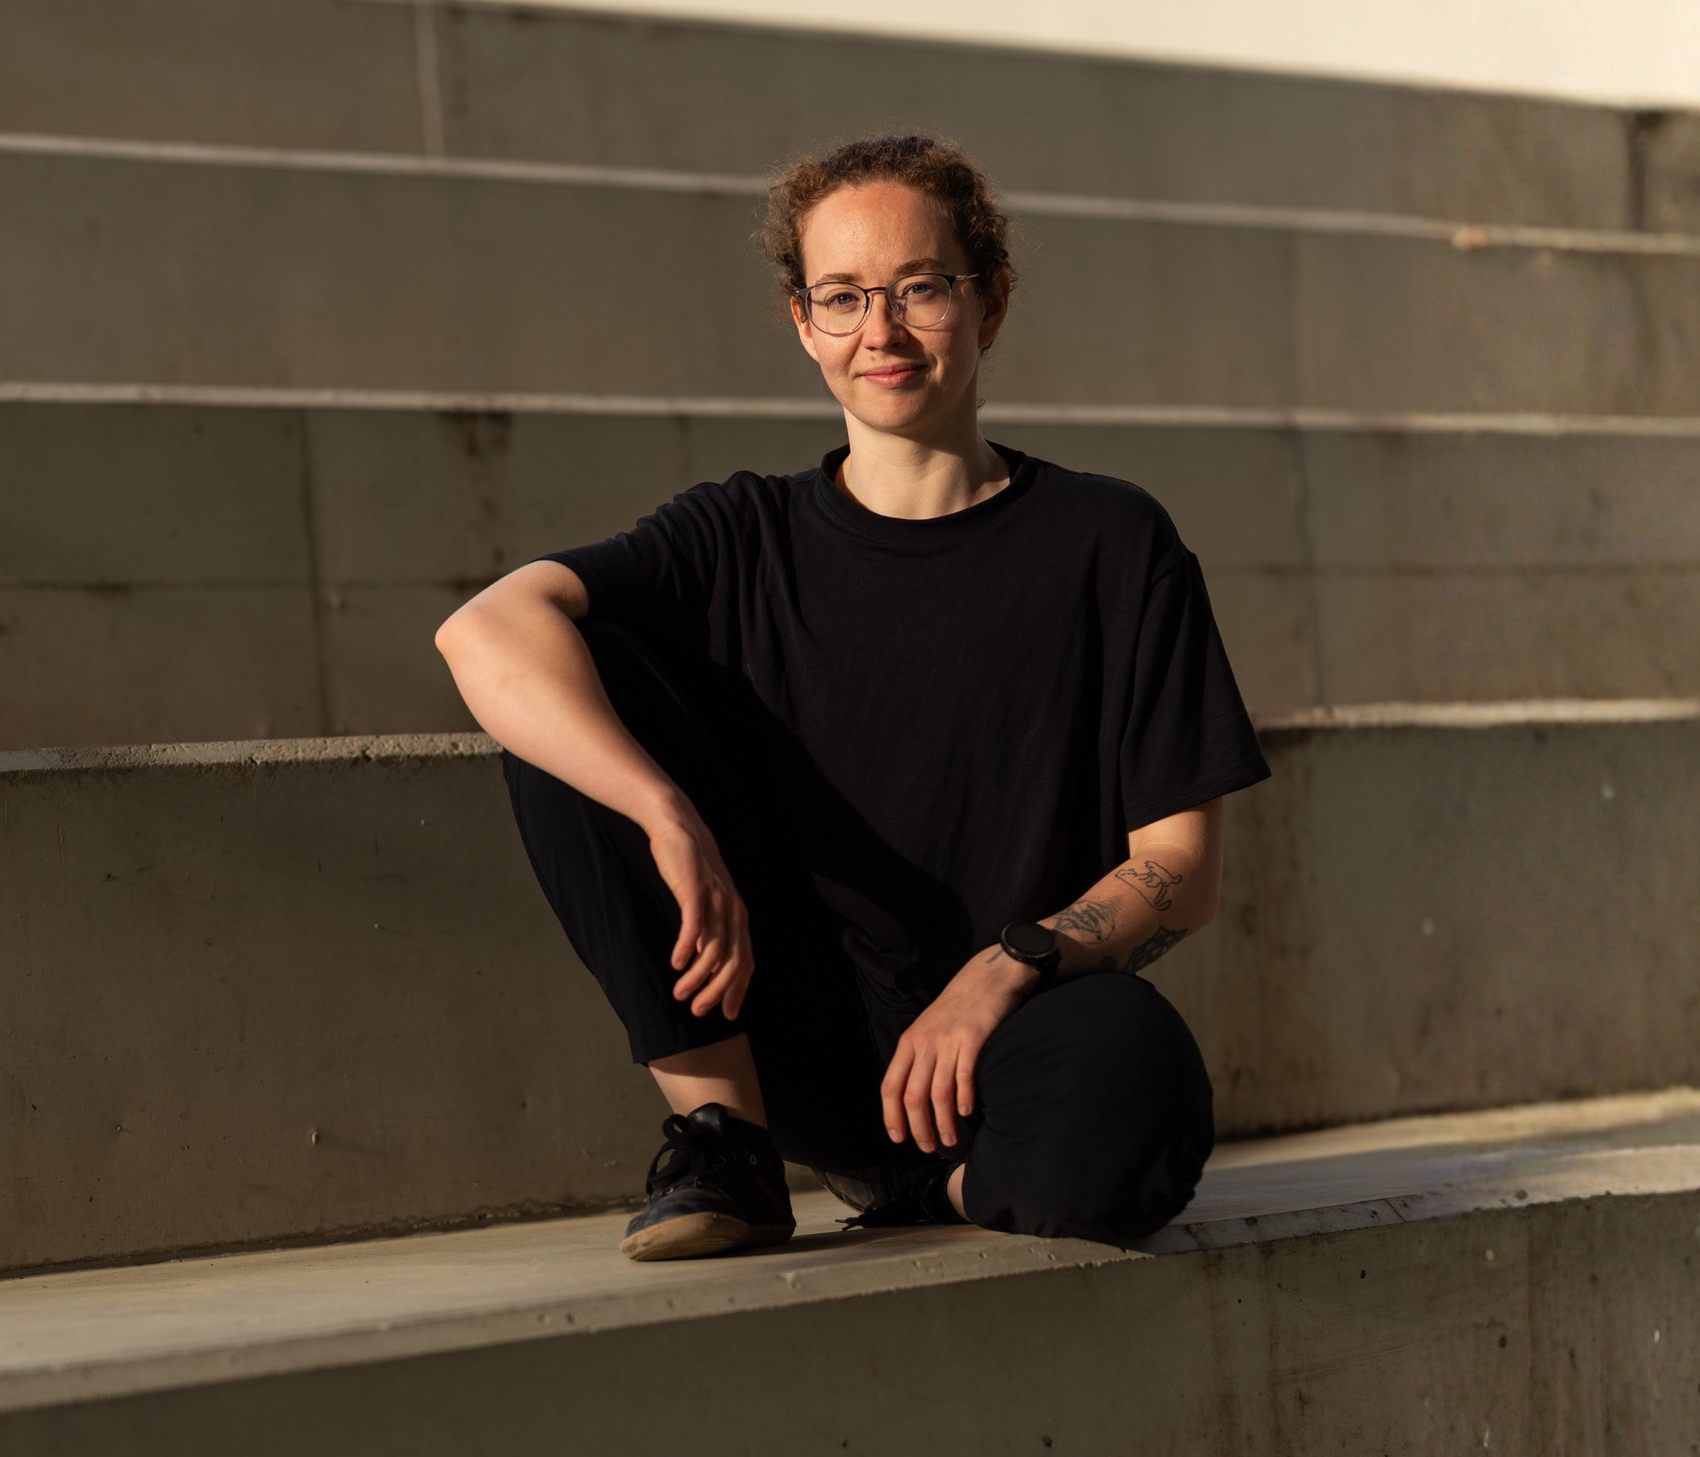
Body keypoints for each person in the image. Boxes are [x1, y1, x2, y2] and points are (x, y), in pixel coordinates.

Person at [434, 133, 1268, 1261]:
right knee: (572, 697)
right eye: (842, 298)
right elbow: (483, 628)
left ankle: (946, 1182)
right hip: (790, 1025)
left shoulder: (1112, 542)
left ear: (990, 301)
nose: (881, 332)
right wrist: (664, 814)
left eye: (920, 288)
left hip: (1005, 1035)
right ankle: (725, 1144)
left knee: (1143, 1072)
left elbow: (1181, 868)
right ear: (802, 321)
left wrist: (1006, 966)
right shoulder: (738, 535)